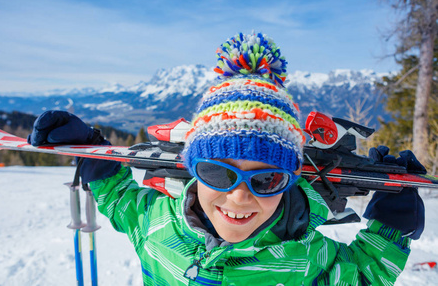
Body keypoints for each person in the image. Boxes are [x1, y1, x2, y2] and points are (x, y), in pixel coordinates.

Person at [28, 32, 425, 285]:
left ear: (289, 180)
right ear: (193, 171)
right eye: (218, 173)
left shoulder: (305, 259)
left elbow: (365, 275)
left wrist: (391, 230)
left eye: (266, 179)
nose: (239, 197)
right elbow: (118, 197)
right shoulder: (154, 224)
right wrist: (93, 153)